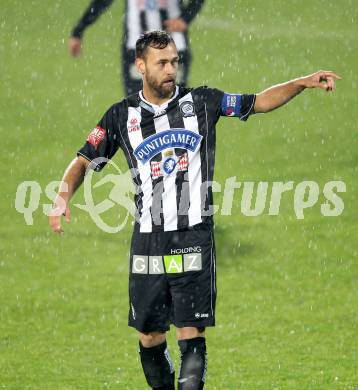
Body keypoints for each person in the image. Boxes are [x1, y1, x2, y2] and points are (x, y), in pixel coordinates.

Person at [50, 30, 340, 390]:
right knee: (149, 335)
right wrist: (63, 197)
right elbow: (83, 160)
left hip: (193, 236)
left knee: (191, 333)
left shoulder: (202, 102)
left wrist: (301, 82)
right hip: (148, 241)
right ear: (140, 66)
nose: (170, 69)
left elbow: (258, 102)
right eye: (162, 63)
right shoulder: (120, 116)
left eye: (174, 61)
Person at [69, 0, 204, 95]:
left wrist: (185, 18)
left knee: (174, 109)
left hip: (173, 48)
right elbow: (101, 2)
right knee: (136, 110)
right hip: (136, 50)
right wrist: (78, 30)